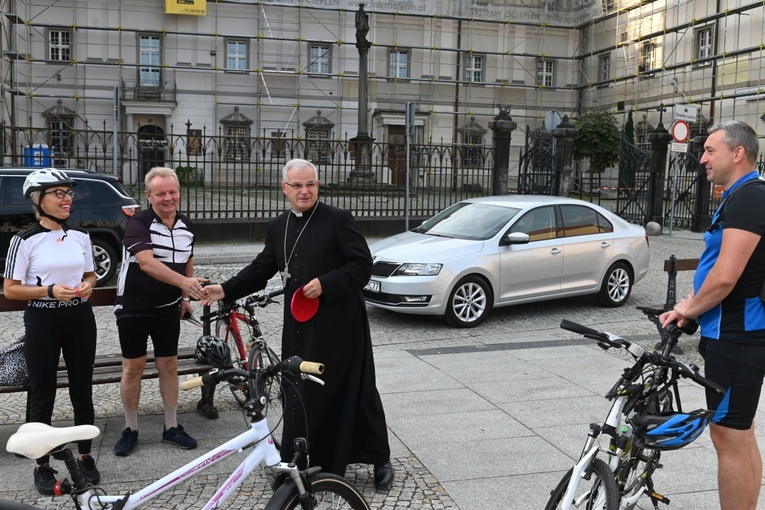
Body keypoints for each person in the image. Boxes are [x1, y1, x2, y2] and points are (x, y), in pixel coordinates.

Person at [201, 158, 394, 490]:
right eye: (297, 186)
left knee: (353, 390)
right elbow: (261, 269)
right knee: (300, 390)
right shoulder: (279, 227)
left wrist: (327, 283)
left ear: (318, 186)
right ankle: (299, 461)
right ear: (284, 189)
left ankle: (378, 457)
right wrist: (225, 288)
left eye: (311, 185)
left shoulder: (338, 220)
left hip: (340, 325)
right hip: (301, 325)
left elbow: (362, 266)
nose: (305, 191)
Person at [660, 120, 765, 510]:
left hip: (737, 337)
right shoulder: (740, 195)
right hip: (737, 332)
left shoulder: (749, 198)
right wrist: (694, 311)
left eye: (710, 150)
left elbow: (725, 278)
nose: (701, 158)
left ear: (738, 153)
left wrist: (686, 307)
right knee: (741, 432)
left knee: (729, 436)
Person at [2, 168, 100, 494]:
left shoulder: (81, 236)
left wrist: (87, 286)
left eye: (68, 193)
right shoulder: (24, 240)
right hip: (43, 322)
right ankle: (41, 465)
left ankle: (85, 455)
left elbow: (91, 275)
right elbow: (10, 290)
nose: (67, 199)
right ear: (38, 200)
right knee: (42, 392)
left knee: (82, 389)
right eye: (58, 193)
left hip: (80, 319)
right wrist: (48, 291)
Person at [113, 166, 207, 456]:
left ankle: (171, 426)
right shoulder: (138, 224)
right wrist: (186, 284)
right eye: (161, 193)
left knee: (168, 365)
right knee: (134, 367)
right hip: (134, 307)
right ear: (149, 196)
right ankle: (130, 428)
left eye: (172, 192)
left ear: (179, 192)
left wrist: (184, 296)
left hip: (168, 308)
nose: (168, 198)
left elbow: (188, 259)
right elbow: (147, 264)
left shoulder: (186, 225)